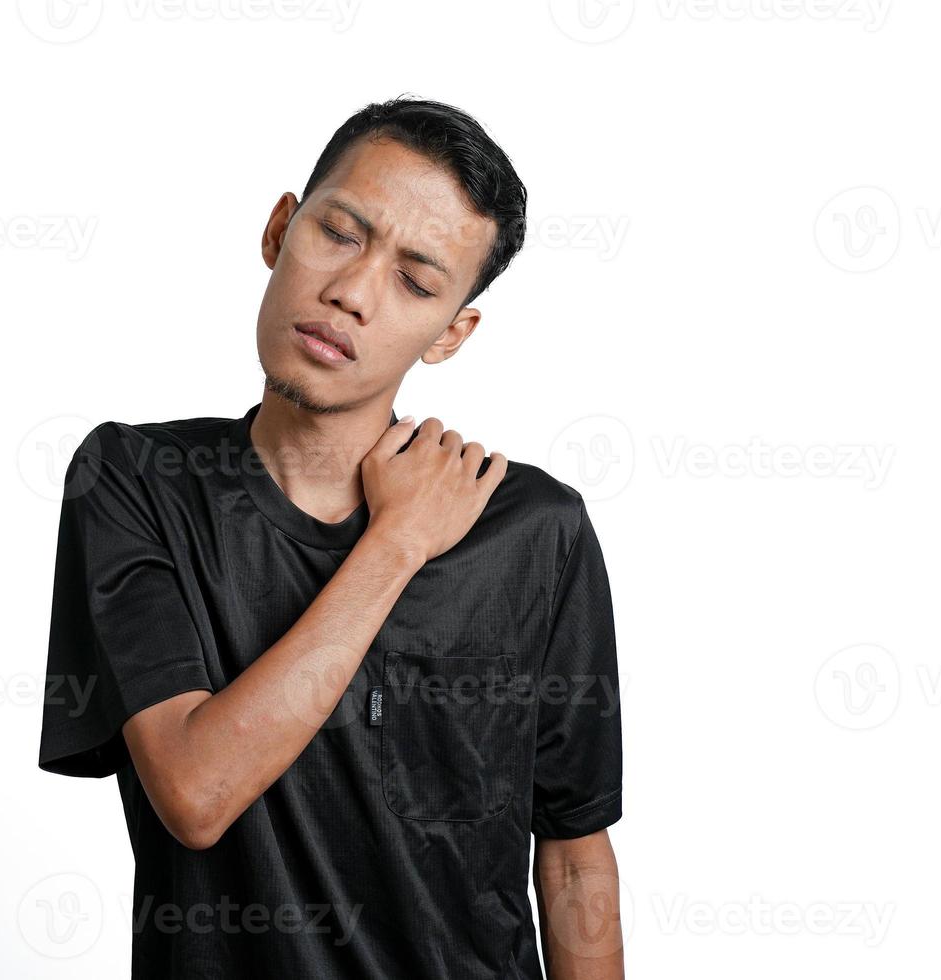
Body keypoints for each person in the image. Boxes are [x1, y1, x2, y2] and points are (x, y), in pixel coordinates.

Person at [37, 95, 624, 979]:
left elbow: (575, 855)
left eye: (417, 283)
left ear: (453, 333)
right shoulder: (135, 480)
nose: (351, 292)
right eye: (340, 234)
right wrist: (395, 544)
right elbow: (196, 791)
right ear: (280, 228)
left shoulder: (535, 530)